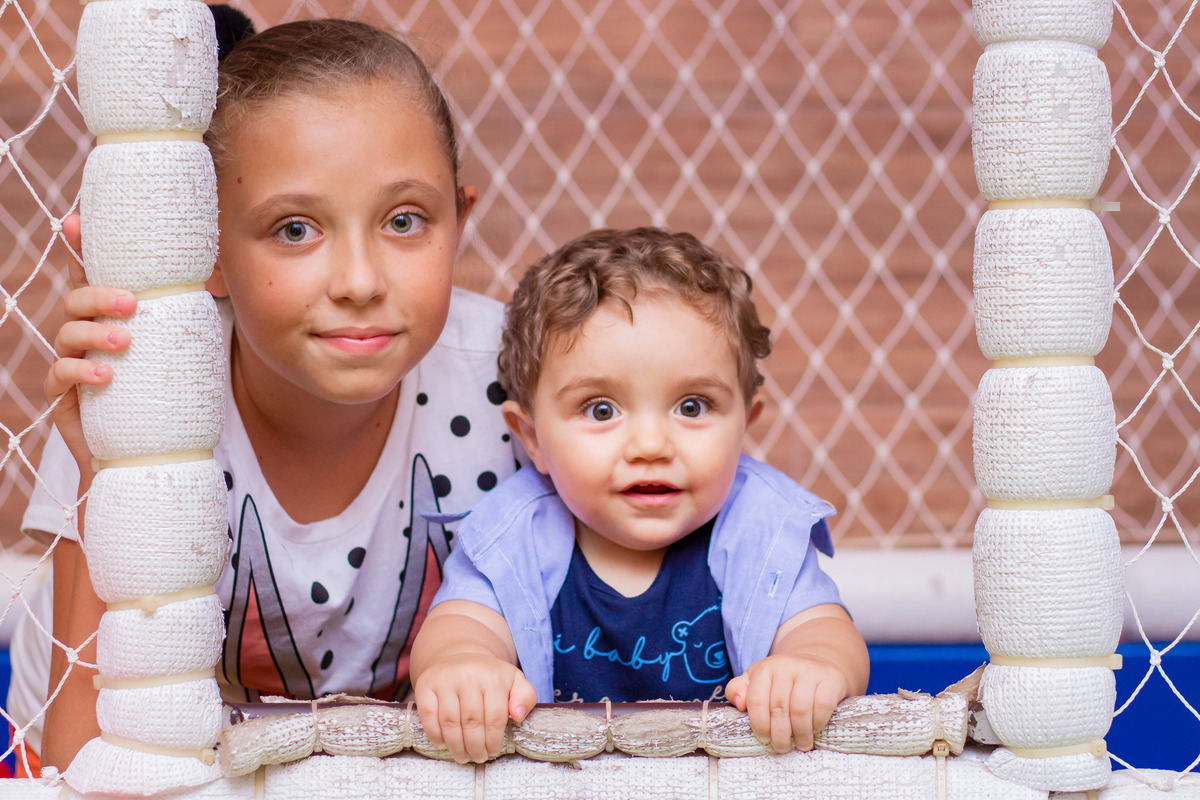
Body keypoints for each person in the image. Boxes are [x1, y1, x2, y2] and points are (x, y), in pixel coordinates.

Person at [13, 17, 523, 772]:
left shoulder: (512, 380)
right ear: (209, 257)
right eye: (294, 229)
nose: (359, 282)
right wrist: (101, 474)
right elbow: (74, 761)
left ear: (459, 220)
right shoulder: (142, 392)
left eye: (404, 220)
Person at [410, 227, 870, 765]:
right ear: (532, 438)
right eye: (601, 410)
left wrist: (813, 665)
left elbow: (826, 630)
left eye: (692, 406)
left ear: (747, 421)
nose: (651, 445)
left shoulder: (760, 528)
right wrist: (463, 664)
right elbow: (459, 625)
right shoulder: (515, 536)